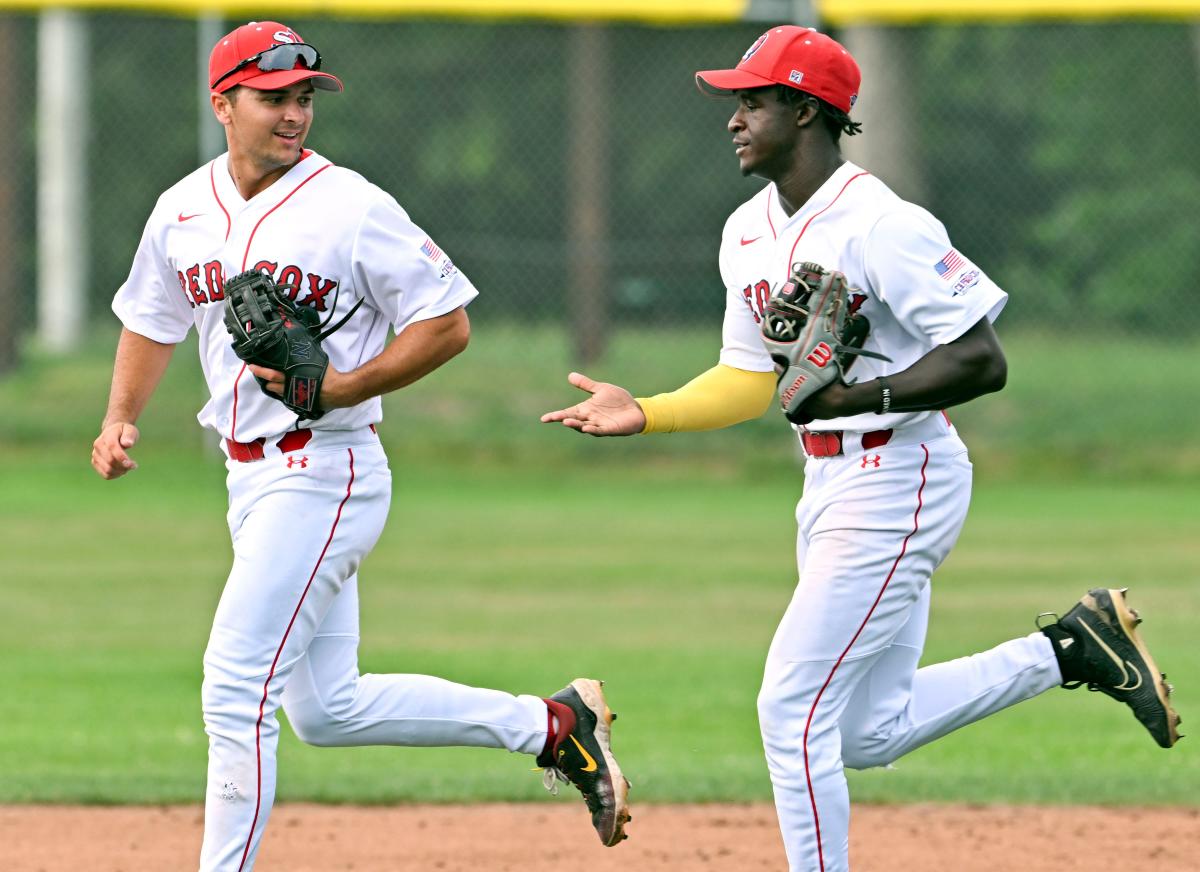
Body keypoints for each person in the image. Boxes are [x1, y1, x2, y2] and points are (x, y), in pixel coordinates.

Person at [541, 25, 1179, 872]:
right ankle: (1072, 646)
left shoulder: (883, 224)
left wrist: (855, 396)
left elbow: (982, 358)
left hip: (900, 475)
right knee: (868, 732)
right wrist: (647, 411)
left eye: (753, 100)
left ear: (806, 110)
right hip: (829, 482)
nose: (733, 118)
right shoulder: (746, 230)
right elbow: (747, 377)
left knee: (790, 708)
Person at [91, 21, 630, 870]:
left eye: (305, 97)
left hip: (324, 471)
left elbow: (447, 323)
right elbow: (150, 317)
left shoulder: (351, 205)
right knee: (327, 710)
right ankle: (554, 725)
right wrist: (121, 414)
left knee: (235, 689)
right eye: (274, 97)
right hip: (248, 478)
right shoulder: (182, 209)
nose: (294, 113)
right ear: (223, 101)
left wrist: (342, 386)